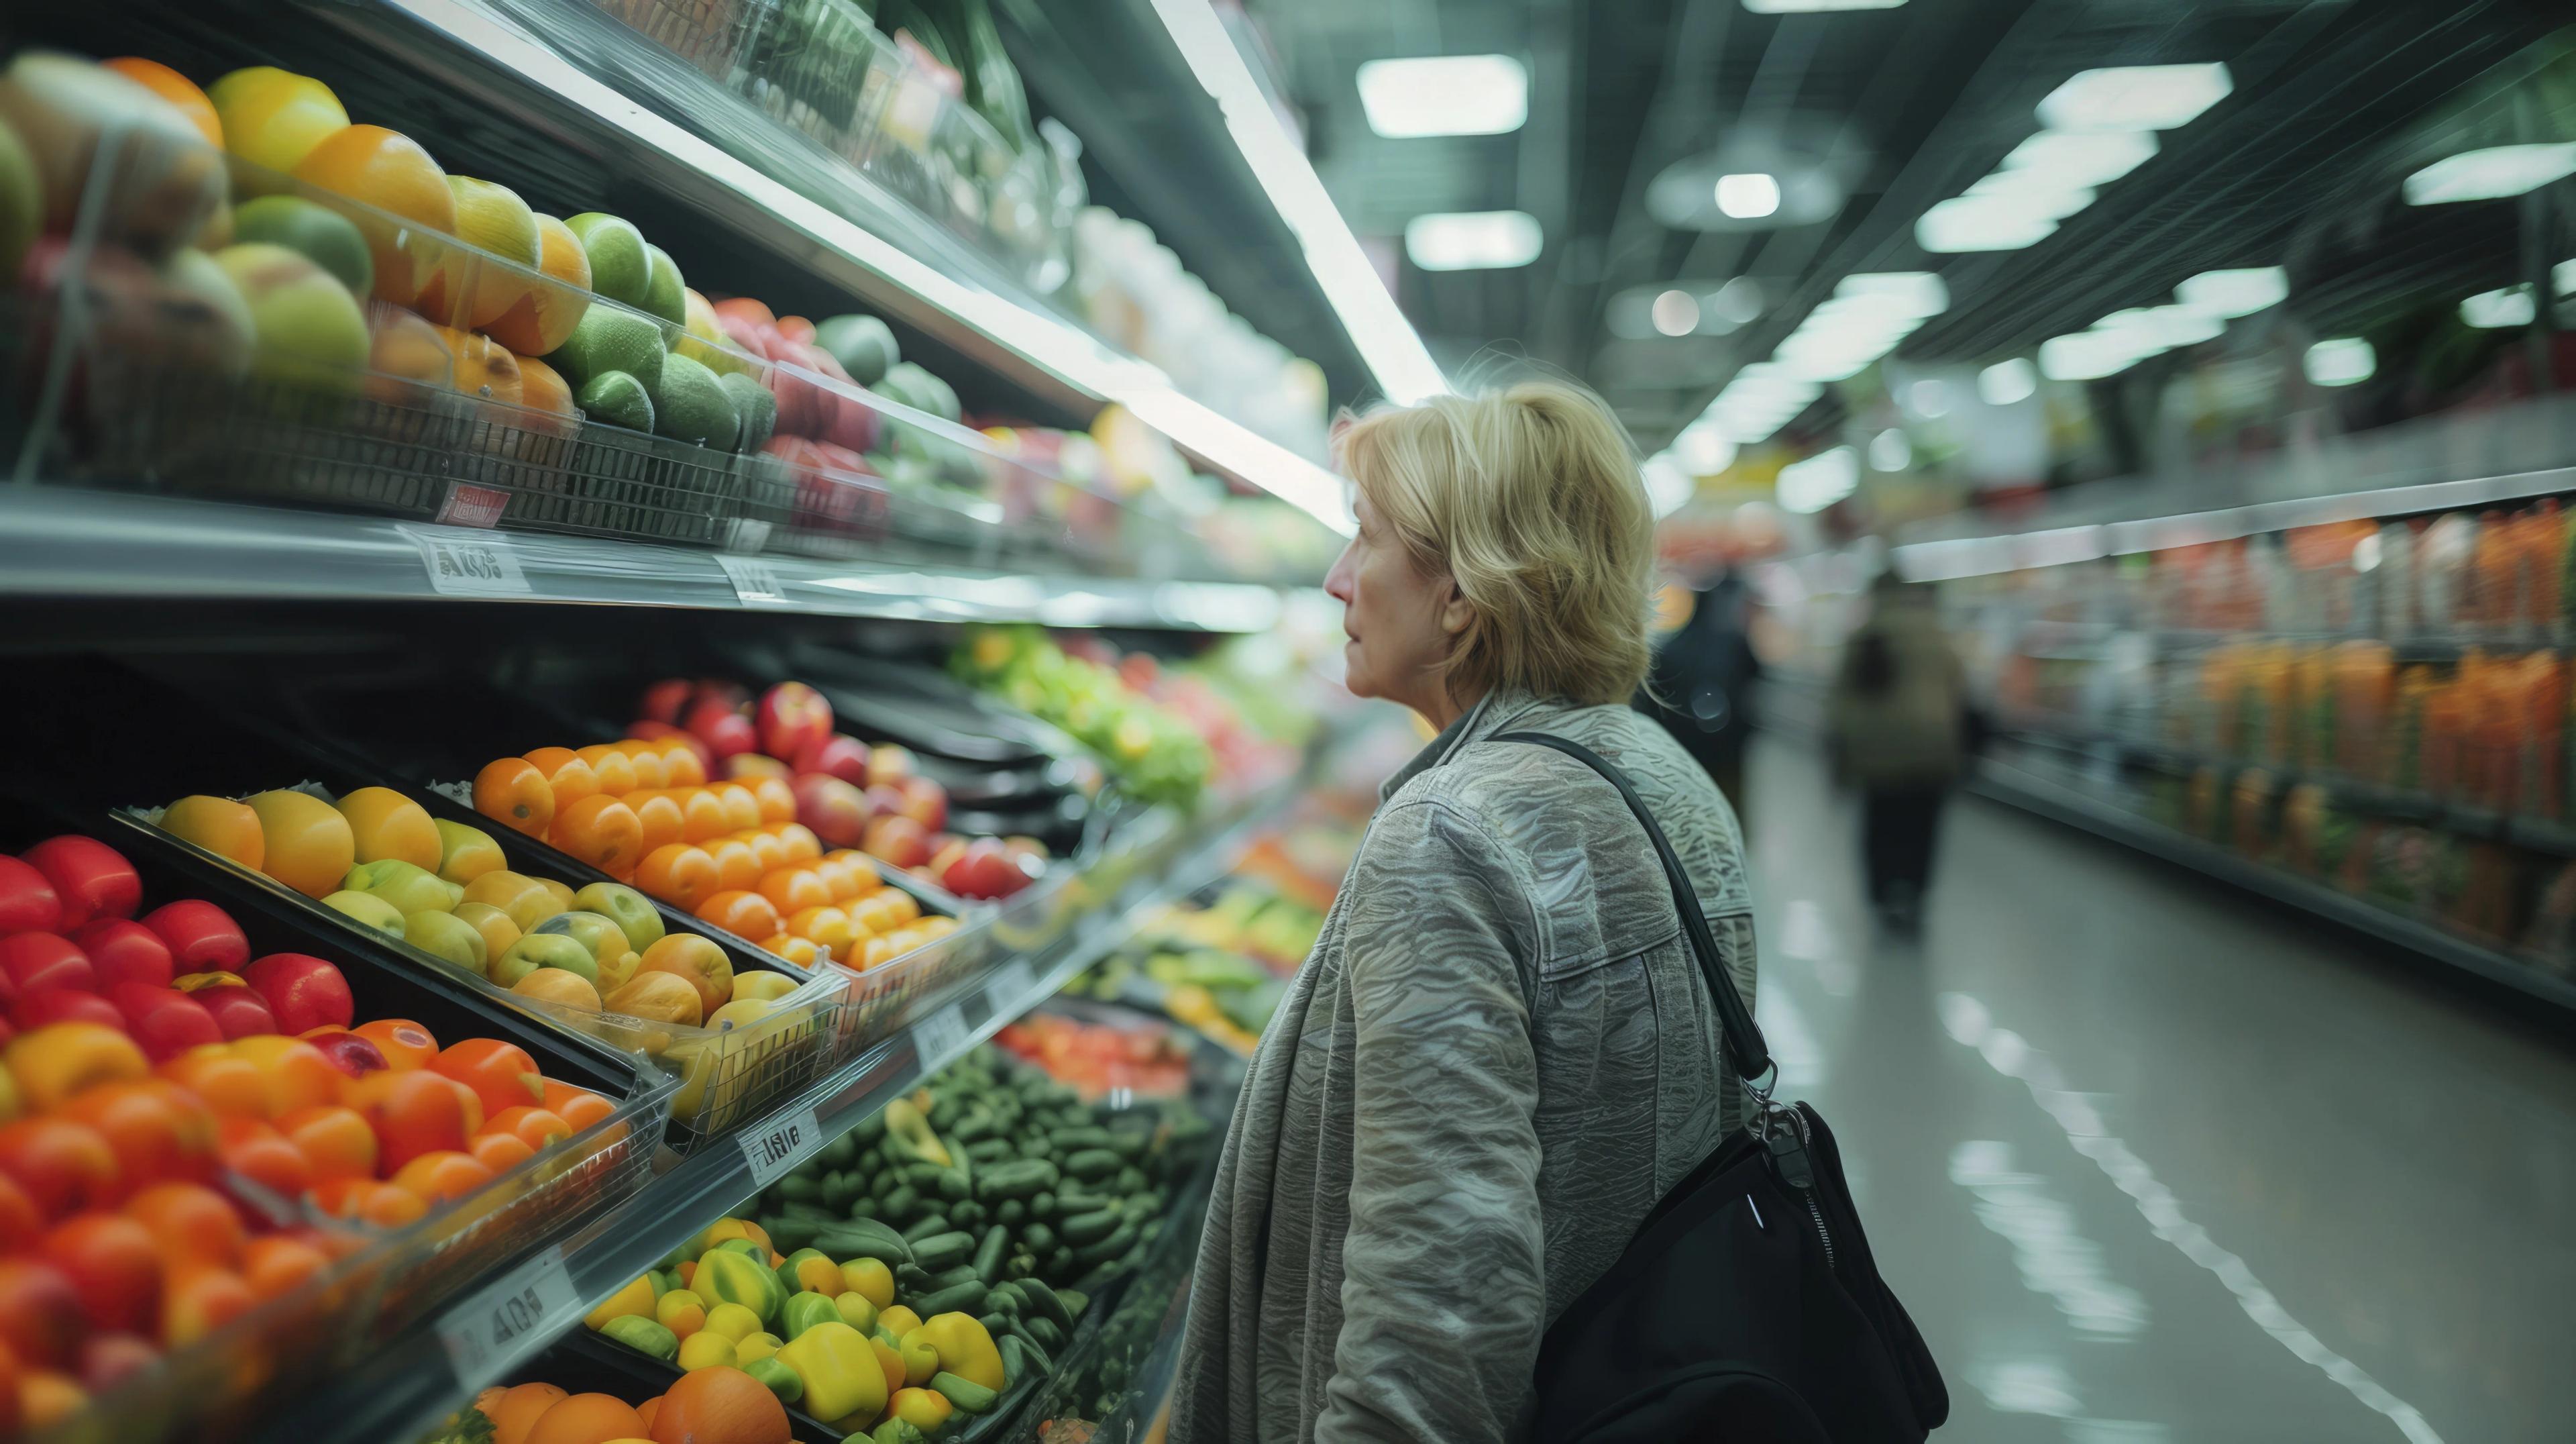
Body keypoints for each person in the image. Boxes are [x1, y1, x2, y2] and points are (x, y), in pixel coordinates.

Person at [1169, 380, 1758, 1444]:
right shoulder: (1672, 782)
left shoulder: (1448, 834)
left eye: (1365, 538)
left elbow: (1438, 1324)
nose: (1336, 578)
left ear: (1461, 595)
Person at [1825, 571, 1968, 927]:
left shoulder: (1865, 636)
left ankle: (1883, 895)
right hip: (1931, 750)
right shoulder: (1937, 634)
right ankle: (1915, 895)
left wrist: (1839, 756)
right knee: (1921, 828)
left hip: (1877, 753)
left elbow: (1841, 701)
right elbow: (1959, 692)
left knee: (1880, 826)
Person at [1636, 571, 1763, 827]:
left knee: (1695, 805)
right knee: (1730, 804)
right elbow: (1757, 675)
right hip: (1729, 744)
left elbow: (1655, 699)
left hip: (1688, 747)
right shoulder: (1734, 643)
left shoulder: (1673, 646)